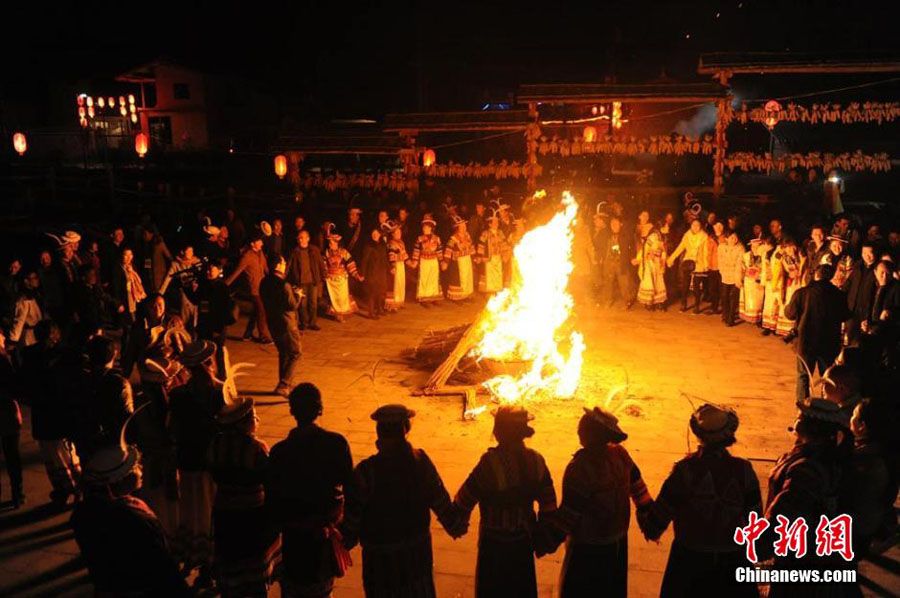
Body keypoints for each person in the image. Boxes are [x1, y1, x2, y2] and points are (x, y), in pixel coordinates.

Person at [342, 405, 466, 598]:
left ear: (378, 432)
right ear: (406, 429)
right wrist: (456, 524)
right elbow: (441, 501)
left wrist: (340, 542)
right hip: (416, 560)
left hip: (380, 566)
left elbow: (351, 523)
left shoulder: (366, 473)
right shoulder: (421, 462)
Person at [643, 404, 761, 598]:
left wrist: (641, 501)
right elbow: (754, 523)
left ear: (699, 435)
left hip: (689, 563)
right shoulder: (744, 470)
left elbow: (654, 525)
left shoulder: (684, 471)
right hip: (733, 563)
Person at [71, 414, 192, 598]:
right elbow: (161, 567)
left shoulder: (82, 513)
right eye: (134, 468)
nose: (140, 469)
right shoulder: (133, 518)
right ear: (118, 481)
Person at [550, 407, 654, 598]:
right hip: (617, 542)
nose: (578, 430)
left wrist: (548, 539)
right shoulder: (620, 455)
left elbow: (569, 513)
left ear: (589, 434)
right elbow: (639, 488)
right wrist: (651, 518)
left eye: (582, 428)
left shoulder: (580, 468)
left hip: (587, 548)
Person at [454, 406, 557, 598]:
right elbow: (549, 503)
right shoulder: (536, 460)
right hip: (522, 541)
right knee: (521, 587)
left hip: (493, 544)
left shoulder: (489, 463)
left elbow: (465, 497)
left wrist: (456, 523)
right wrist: (545, 536)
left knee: (492, 588)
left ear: (499, 432)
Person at [763, 398, 858, 598]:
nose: (794, 421)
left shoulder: (806, 469)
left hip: (803, 553)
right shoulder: (829, 456)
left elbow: (784, 511)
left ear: (808, 426)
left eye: (799, 417)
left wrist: (762, 541)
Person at [266, 383, 354, 598]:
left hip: (293, 538)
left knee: (293, 587)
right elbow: (351, 486)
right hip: (322, 534)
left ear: (292, 411)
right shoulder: (336, 443)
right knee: (321, 588)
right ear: (320, 409)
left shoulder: (279, 452)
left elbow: (271, 499)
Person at [209, 392, 281, 598]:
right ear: (243, 423)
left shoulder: (216, 444)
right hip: (251, 514)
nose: (256, 421)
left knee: (230, 558)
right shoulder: (256, 448)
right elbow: (268, 478)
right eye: (253, 417)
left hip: (224, 512)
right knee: (254, 566)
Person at [168, 339, 223, 586]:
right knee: (211, 514)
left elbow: (173, 430)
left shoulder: (178, 395)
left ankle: (194, 558)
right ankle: (210, 567)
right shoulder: (221, 391)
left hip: (189, 463)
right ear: (210, 362)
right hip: (213, 465)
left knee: (192, 514)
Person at [18, 320, 80, 506]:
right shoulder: (61, 355)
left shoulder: (28, 356)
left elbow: (23, 385)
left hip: (42, 413)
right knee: (64, 454)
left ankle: (62, 489)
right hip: (59, 413)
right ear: (55, 335)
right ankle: (74, 488)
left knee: (51, 455)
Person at [785, 264, 851, 402]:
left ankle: (803, 407)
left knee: (803, 375)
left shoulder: (802, 293)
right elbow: (845, 315)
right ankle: (826, 405)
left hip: (805, 342)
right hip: (828, 343)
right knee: (826, 377)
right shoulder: (838, 295)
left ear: (816, 275)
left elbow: (789, 314)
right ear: (831, 277)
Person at [260, 255, 303, 396]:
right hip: (287, 323)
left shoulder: (264, 283)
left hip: (273, 323)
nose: (285, 265)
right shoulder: (283, 285)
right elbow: (292, 305)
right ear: (278, 266)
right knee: (295, 353)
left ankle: (284, 384)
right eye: (283, 263)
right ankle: (284, 384)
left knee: (284, 353)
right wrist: (298, 296)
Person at [227, 235, 273, 344]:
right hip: (254, 289)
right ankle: (263, 336)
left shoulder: (260, 254)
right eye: (259, 241)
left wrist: (274, 278)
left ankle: (247, 334)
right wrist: (225, 284)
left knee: (256, 312)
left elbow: (266, 269)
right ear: (252, 244)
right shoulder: (247, 256)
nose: (261, 243)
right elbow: (237, 271)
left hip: (262, 287)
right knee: (262, 311)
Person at [0, 329, 24, 507]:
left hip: (6, 409)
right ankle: (17, 492)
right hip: (6, 410)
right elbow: (15, 385)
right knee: (12, 455)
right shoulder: (3, 360)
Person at [667, 219, 710, 313]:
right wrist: (672, 258)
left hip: (699, 263)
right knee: (685, 284)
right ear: (691, 226)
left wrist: (706, 264)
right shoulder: (687, 236)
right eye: (693, 225)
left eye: (697, 225)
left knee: (696, 286)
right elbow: (680, 248)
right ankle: (683, 304)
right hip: (688, 262)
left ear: (700, 226)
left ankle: (697, 306)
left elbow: (706, 251)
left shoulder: (704, 237)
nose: (695, 227)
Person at [111, 247, 147, 353]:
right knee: (128, 328)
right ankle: (125, 353)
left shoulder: (132, 267)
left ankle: (130, 352)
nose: (128, 258)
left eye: (130, 255)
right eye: (125, 255)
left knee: (133, 327)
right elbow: (115, 288)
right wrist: (118, 303)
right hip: (125, 301)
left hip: (134, 300)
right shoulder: (117, 269)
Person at [323, 225, 361, 322]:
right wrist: (324, 274)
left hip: (342, 279)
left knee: (342, 297)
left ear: (337, 243)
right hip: (331, 279)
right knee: (334, 298)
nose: (330, 244)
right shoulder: (326, 253)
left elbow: (351, 264)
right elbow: (323, 265)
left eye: (331, 242)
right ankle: (337, 314)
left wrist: (356, 274)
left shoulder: (344, 252)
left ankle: (343, 313)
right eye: (329, 243)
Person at [287, 229, 323, 330]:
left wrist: (323, 276)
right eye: (300, 238)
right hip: (301, 281)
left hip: (313, 281)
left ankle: (313, 323)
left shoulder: (314, 250)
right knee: (302, 304)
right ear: (298, 240)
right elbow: (289, 265)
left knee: (313, 303)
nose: (302, 240)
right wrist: (283, 277)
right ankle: (304, 323)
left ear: (308, 238)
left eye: (304, 238)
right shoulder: (295, 252)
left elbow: (320, 263)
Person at [159, 245, 202, 329]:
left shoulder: (196, 262)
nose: (191, 253)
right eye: (189, 251)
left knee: (196, 317)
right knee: (185, 317)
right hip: (185, 293)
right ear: (182, 252)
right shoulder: (176, 264)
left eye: (192, 251)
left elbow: (202, 276)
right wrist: (160, 293)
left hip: (196, 293)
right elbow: (168, 278)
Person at [633, 211, 667, 309]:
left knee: (658, 282)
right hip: (650, 263)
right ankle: (648, 302)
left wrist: (665, 260)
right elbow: (645, 249)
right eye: (666, 227)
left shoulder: (662, 237)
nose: (668, 228)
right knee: (649, 282)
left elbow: (664, 251)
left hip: (658, 263)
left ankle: (658, 301)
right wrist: (639, 259)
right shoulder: (653, 237)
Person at [599, 216, 634, 308]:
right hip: (609, 262)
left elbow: (631, 248)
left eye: (616, 223)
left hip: (621, 262)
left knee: (624, 282)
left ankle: (627, 301)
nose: (614, 225)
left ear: (620, 225)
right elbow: (601, 247)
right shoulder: (607, 235)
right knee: (607, 282)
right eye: (612, 224)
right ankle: (607, 300)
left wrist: (632, 258)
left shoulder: (625, 235)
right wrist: (601, 257)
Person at [409, 217, 444, 306]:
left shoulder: (437, 238)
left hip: (434, 260)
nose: (424, 229)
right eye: (424, 227)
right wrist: (415, 261)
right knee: (424, 278)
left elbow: (439, 250)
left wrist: (441, 261)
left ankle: (434, 296)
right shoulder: (420, 239)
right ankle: (424, 297)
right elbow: (416, 250)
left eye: (426, 227)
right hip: (424, 260)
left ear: (431, 228)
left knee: (433, 278)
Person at [442, 215, 476, 301]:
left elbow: (471, 247)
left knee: (467, 277)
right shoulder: (453, 239)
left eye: (465, 226)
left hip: (467, 260)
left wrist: (474, 257)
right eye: (462, 227)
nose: (464, 228)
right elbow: (448, 250)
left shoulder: (467, 236)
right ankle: (458, 297)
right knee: (458, 278)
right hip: (457, 262)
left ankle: (466, 295)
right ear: (458, 228)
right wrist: (446, 262)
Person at [358, 227, 390, 318]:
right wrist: (362, 274)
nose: (374, 235)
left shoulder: (382, 245)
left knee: (380, 292)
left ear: (380, 234)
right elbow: (364, 261)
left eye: (376, 233)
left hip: (381, 272)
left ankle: (380, 309)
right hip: (372, 273)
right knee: (372, 293)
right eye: (373, 233)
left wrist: (389, 268)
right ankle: (371, 313)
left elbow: (385, 258)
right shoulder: (369, 246)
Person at [476, 210, 508, 294]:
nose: (496, 224)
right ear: (490, 224)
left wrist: (505, 255)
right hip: (489, 258)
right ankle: (489, 291)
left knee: (498, 273)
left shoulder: (500, 233)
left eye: (497, 223)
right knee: (489, 275)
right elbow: (481, 245)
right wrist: (480, 256)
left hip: (498, 257)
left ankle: (497, 290)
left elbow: (504, 244)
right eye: (494, 223)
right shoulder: (485, 233)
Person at [9, 269, 43, 347]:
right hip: (29, 339)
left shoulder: (35, 295)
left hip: (37, 335)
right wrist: (13, 341)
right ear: (26, 281)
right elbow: (19, 321)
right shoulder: (24, 300)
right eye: (34, 278)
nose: (37, 280)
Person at [717, 231, 743, 326]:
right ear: (727, 238)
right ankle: (725, 314)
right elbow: (719, 259)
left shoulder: (740, 248)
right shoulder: (721, 247)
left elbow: (740, 264)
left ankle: (731, 318)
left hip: (736, 274)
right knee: (724, 295)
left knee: (733, 296)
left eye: (735, 238)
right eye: (731, 238)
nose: (734, 240)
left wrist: (738, 277)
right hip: (725, 274)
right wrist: (722, 270)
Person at [739, 238, 767, 325]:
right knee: (749, 299)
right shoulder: (746, 255)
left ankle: (758, 319)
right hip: (749, 281)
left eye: (756, 246)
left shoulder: (764, 256)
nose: (754, 248)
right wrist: (743, 276)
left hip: (758, 280)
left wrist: (761, 279)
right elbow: (742, 267)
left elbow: (766, 270)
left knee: (758, 300)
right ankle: (749, 317)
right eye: (753, 246)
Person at [384, 221, 408, 311]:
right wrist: (393, 266)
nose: (399, 234)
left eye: (400, 232)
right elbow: (391, 256)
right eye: (397, 233)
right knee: (395, 283)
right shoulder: (391, 244)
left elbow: (405, 254)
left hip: (401, 264)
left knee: (401, 283)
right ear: (393, 234)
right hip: (396, 265)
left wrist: (411, 263)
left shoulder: (401, 243)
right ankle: (393, 304)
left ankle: (400, 301)